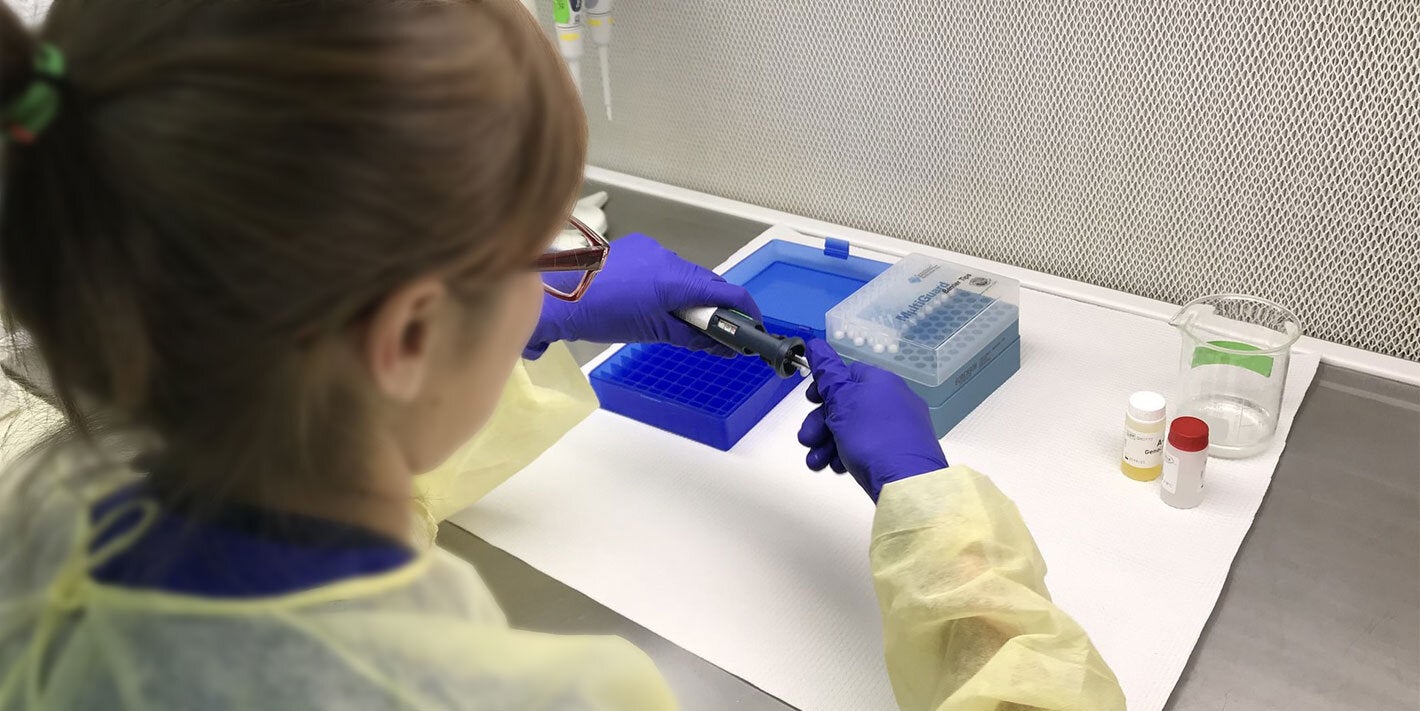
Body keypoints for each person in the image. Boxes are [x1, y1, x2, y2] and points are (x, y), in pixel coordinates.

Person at [0, 1, 1125, 709]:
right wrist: (941, 526)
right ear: (403, 334)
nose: (568, 264)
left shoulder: (51, 526)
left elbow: (333, 452)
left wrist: (522, 313)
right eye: (549, 240)